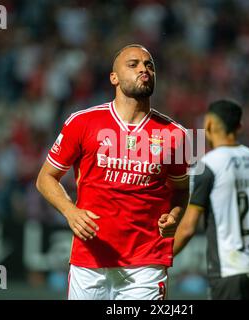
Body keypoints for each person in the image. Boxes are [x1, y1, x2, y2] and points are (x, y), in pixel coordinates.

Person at [36, 44, 190, 300]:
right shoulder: (81, 122)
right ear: (113, 78)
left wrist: (174, 215)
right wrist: (70, 211)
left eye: (149, 65)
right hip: (89, 259)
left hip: (146, 263)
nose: (144, 69)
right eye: (133, 64)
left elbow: (181, 190)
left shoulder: (178, 135)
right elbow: (45, 178)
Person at [173, 99, 249, 300]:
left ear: (209, 125)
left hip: (229, 271)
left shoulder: (209, 166)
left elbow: (188, 228)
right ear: (239, 127)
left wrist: (161, 258)